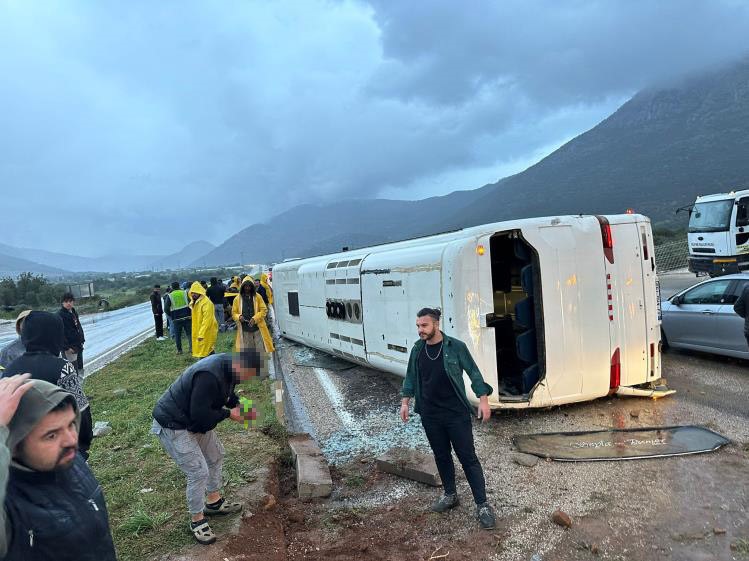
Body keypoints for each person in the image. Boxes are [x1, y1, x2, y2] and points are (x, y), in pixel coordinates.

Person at [151, 350, 263, 545]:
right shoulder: (209, 376)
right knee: (198, 471)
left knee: (215, 455)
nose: (247, 380)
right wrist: (230, 415)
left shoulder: (231, 368)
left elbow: (227, 394)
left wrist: (242, 407)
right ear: (240, 366)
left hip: (194, 419)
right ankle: (197, 520)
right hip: (174, 423)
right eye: (248, 375)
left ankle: (213, 502)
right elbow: (200, 414)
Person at [400, 307, 496, 530]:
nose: (420, 330)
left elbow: (473, 372)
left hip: (456, 414)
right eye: (417, 326)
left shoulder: (455, 347)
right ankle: (450, 495)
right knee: (441, 456)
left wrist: (483, 399)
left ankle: (482, 505)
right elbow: (411, 377)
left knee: (468, 458)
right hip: (430, 415)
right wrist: (405, 402)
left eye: (424, 326)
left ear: (436, 324)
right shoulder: (417, 349)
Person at [0, 375, 117, 560]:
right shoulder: (8, 505)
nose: (72, 440)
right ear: (13, 445)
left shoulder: (67, 458)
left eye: (71, 424)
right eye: (51, 435)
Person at [2, 311, 94, 458]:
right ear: (55, 335)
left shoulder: (9, 370)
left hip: (21, 455)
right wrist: (84, 444)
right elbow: (80, 410)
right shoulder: (63, 367)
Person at [231, 279, 275, 355]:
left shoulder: (258, 297)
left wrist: (255, 319)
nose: (247, 289)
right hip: (245, 329)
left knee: (260, 349)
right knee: (248, 349)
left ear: (252, 287)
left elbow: (264, 310)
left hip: (258, 329)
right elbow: (234, 313)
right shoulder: (237, 299)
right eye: (245, 287)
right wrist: (239, 317)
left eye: (249, 287)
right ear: (242, 287)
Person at [189, 281, 218, 358]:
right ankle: (211, 365)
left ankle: (207, 366)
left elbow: (207, 320)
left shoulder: (206, 303)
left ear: (199, 292)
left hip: (207, 330)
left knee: (206, 351)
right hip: (200, 330)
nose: (193, 294)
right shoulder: (195, 302)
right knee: (206, 350)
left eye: (195, 292)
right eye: (192, 292)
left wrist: (201, 333)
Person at [58, 292, 85, 376]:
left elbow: (78, 327)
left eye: (70, 301)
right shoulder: (60, 315)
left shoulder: (73, 312)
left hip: (78, 345)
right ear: (62, 303)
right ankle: (73, 388)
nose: (68, 303)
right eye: (66, 301)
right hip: (69, 348)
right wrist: (66, 347)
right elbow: (60, 333)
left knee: (80, 368)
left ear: (73, 302)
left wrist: (82, 339)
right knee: (72, 371)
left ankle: (81, 386)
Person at [165, 281, 192, 354]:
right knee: (189, 333)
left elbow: (166, 308)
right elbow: (191, 303)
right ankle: (191, 348)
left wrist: (171, 315)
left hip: (176, 318)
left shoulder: (170, 295)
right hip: (187, 316)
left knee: (177, 335)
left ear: (172, 287)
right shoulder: (185, 293)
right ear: (179, 286)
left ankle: (179, 350)